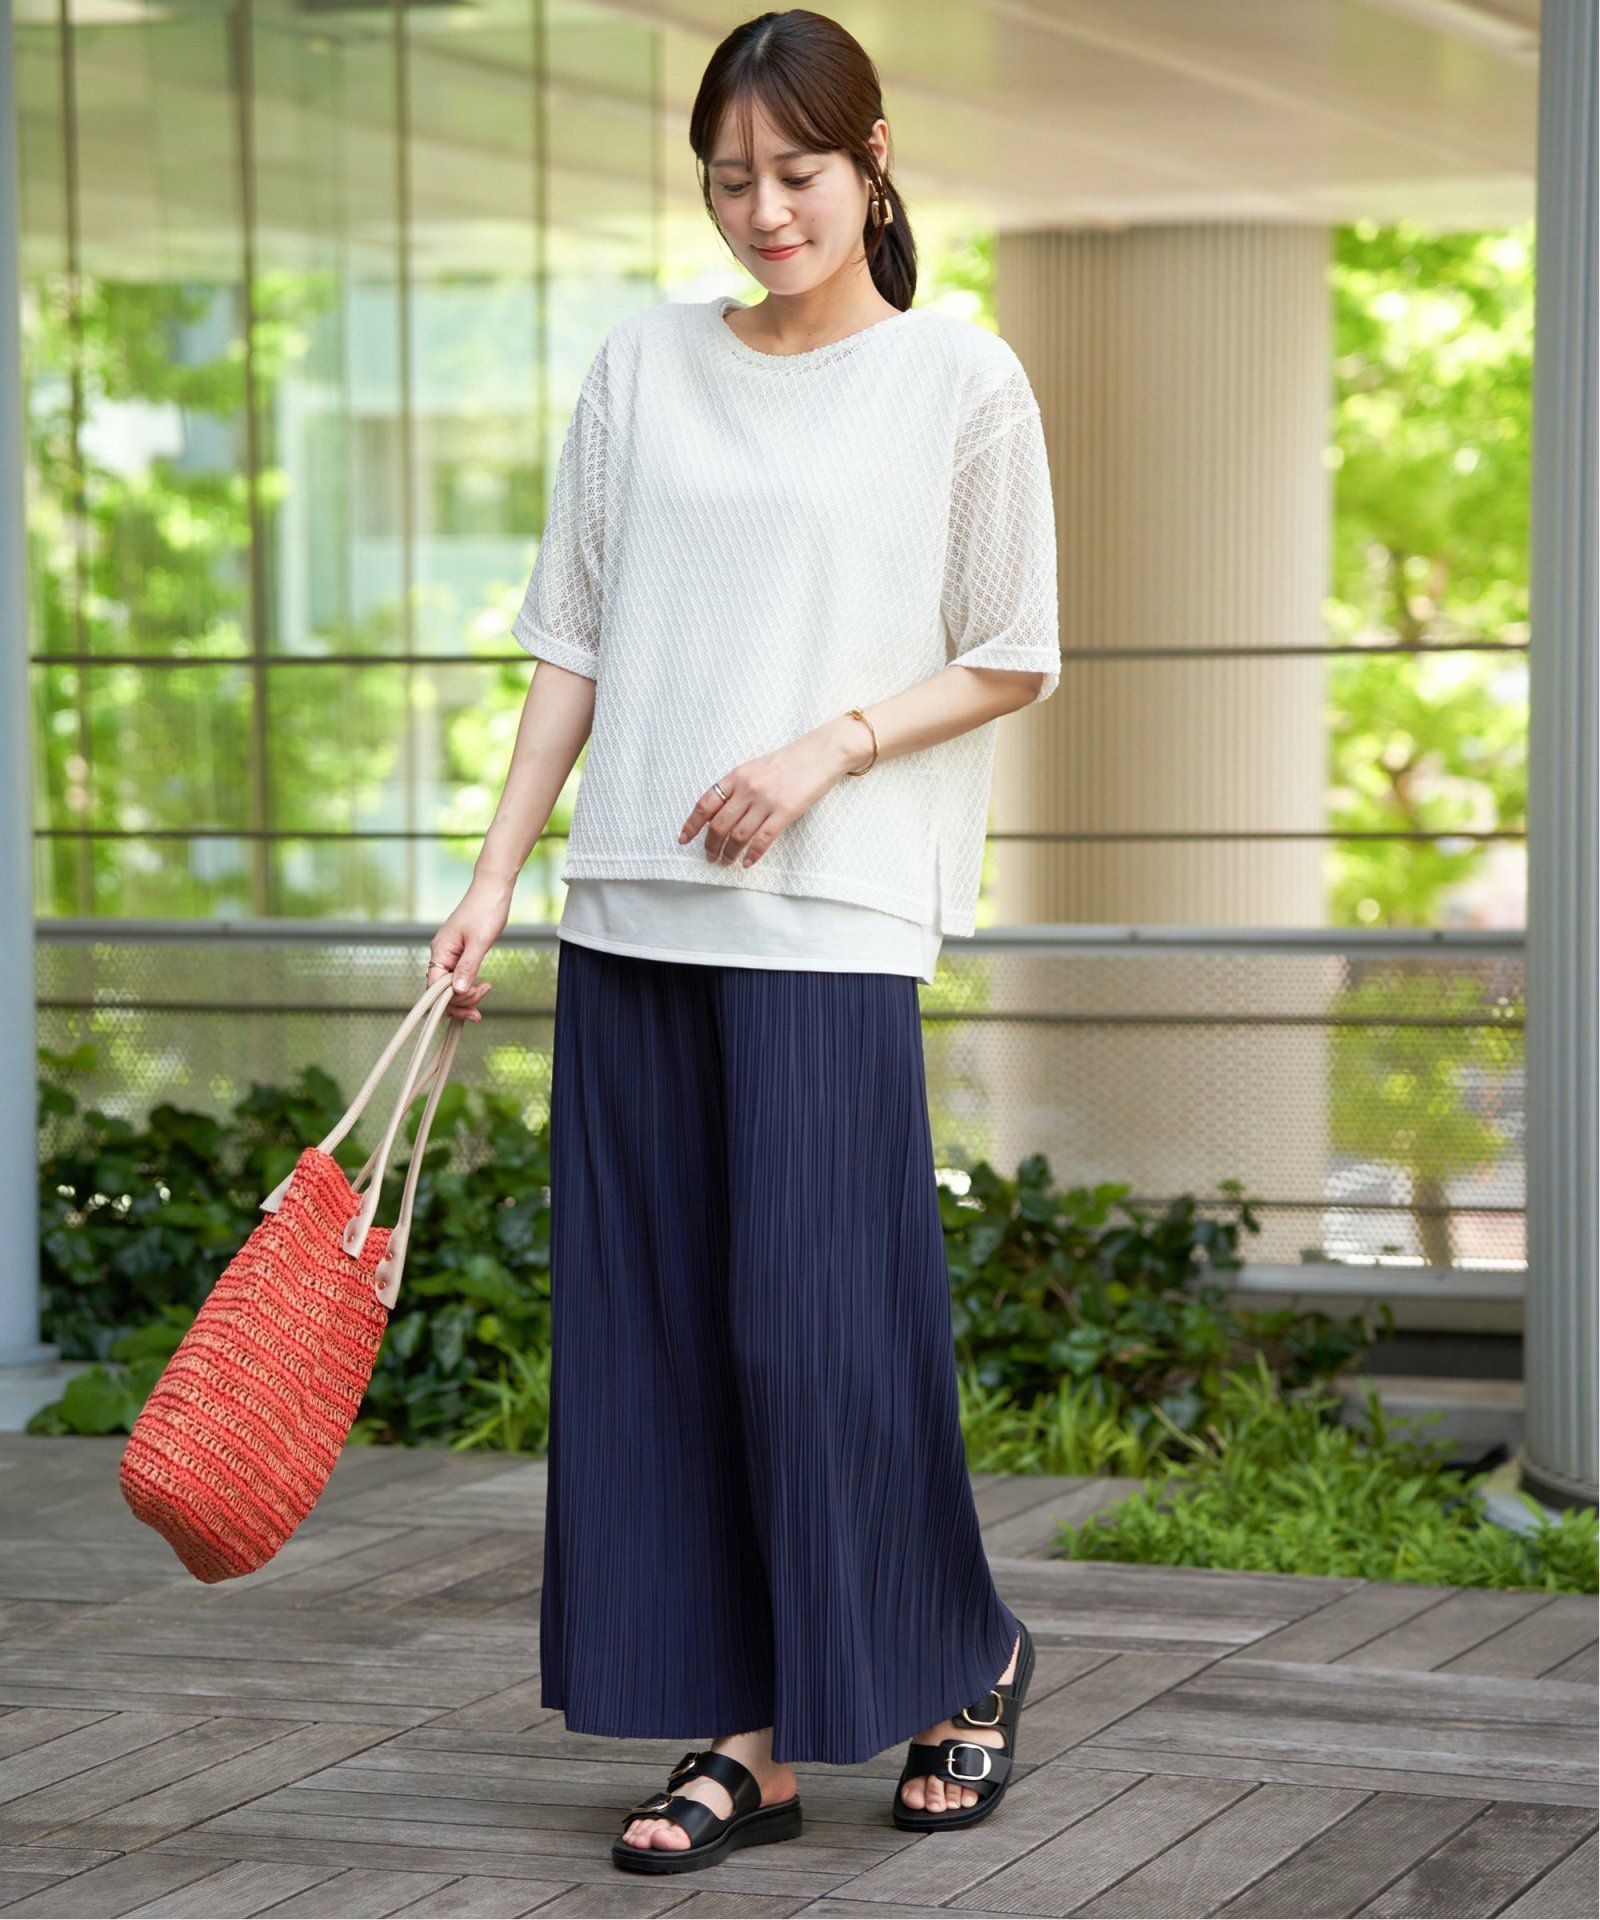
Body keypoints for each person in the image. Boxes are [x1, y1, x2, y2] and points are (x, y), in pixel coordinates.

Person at [426, 6, 1059, 1877]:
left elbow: (1014, 648)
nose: (765, 212)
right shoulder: (641, 366)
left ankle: (962, 1653)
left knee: (819, 1331)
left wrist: (825, 748)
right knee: (660, 1340)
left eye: (797, 174)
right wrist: (492, 877)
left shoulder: (960, 381)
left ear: (873, 164)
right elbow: (573, 643)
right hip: (631, 907)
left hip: (830, 916)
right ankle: (750, 1742)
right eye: (729, 180)